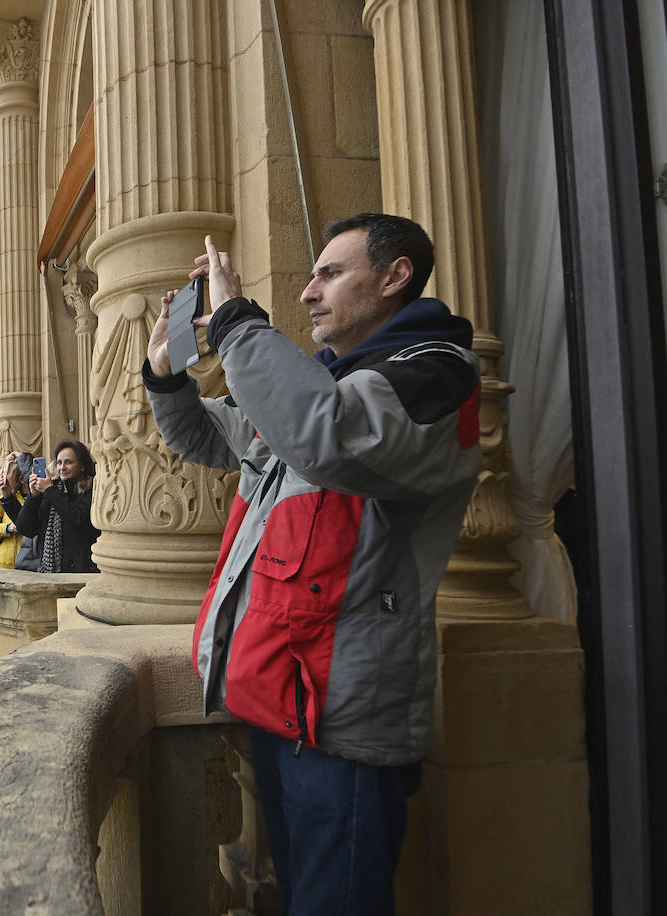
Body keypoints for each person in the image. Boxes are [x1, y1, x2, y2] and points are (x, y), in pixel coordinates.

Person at [143, 215, 481, 913]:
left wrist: (237, 320)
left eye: (331, 274)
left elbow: (329, 436)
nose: (308, 293)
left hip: (341, 723)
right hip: (280, 702)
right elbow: (207, 435)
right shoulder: (326, 384)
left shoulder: (434, 372)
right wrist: (166, 375)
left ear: (396, 278)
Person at [0, 441, 99, 574]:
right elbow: (27, 528)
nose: (62, 467)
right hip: (50, 571)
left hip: (82, 571)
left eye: (68, 462)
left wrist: (49, 490)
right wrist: (28, 496)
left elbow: (76, 517)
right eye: (59, 462)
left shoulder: (91, 489)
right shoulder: (52, 489)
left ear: (82, 466)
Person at [0, 454, 26, 568]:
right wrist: (7, 528)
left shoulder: (34, 500)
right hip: (4, 564)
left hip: (27, 564)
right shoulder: (0, 501)